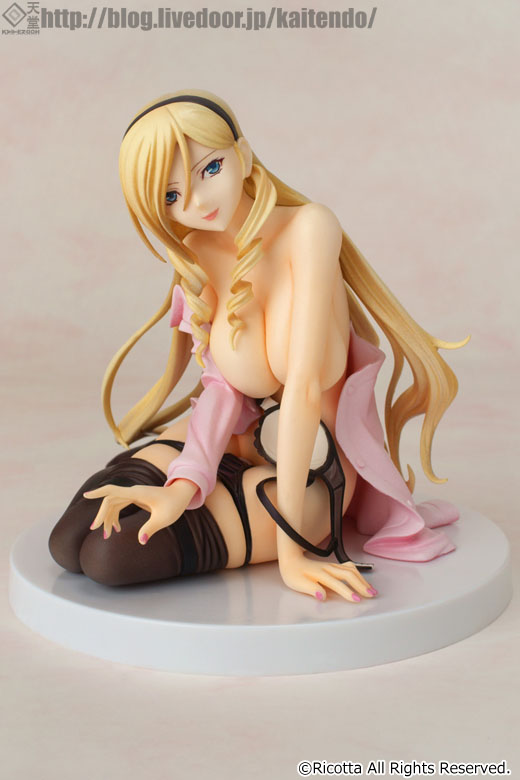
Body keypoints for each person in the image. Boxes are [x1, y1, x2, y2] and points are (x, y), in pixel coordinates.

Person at [49, 90, 467, 602]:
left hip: (313, 468)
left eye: (210, 169)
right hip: (233, 439)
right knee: (68, 541)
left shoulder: (310, 229)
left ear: (243, 156)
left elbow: (304, 389)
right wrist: (182, 488)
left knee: (111, 556)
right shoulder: (198, 250)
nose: (197, 203)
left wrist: (293, 554)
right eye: (171, 196)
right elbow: (221, 388)